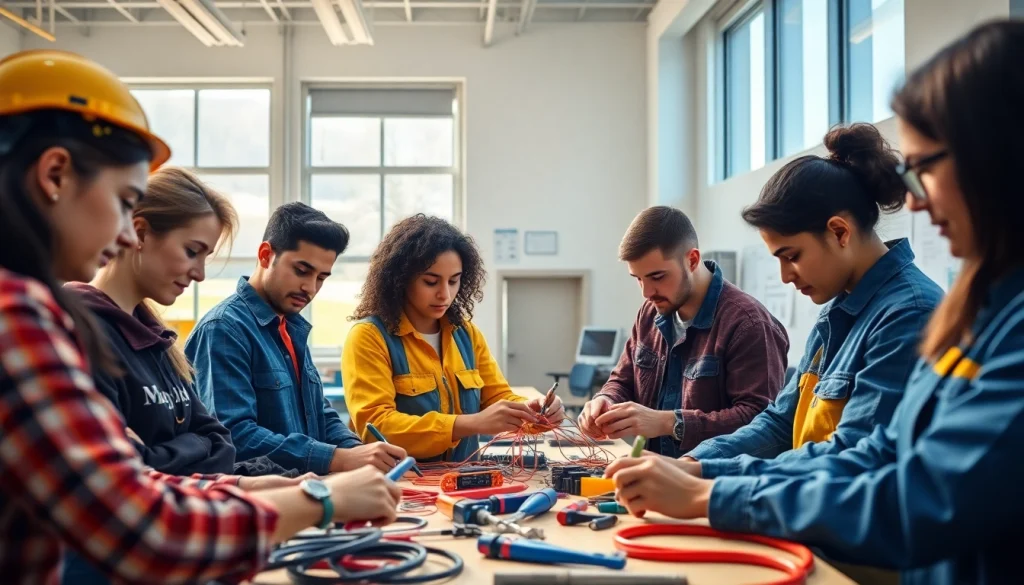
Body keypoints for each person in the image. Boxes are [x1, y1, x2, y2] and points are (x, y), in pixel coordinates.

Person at [605, 20, 1024, 585]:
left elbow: (917, 495)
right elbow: (857, 445)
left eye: (924, 172)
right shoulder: (946, 310)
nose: (918, 204)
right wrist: (700, 469)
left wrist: (715, 494)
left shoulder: (918, 315)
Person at [0, 50, 400, 585]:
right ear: (54, 175)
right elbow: (143, 528)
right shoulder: (17, 318)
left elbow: (165, 474)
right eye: (122, 202)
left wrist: (255, 489)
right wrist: (317, 497)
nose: (125, 234)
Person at [61, 169, 309, 584]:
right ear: (140, 232)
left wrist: (168, 454)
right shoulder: (76, 333)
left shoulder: (159, 342)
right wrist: (188, 448)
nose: (199, 274)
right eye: (192, 251)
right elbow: (131, 480)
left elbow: (221, 444)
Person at [675, 124, 943, 479]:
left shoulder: (910, 314)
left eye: (792, 256)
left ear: (839, 232)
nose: (785, 276)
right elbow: (779, 424)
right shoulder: (835, 312)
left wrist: (705, 476)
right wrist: (691, 463)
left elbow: (852, 457)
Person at [186, 202, 406, 475]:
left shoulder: (290, 326)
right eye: (302, 271)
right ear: (266, 255)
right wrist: (336, 459)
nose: (310, 288)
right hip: (262, 505)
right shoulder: (223, 329)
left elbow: (320, 414)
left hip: (307, 493)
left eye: (322, 277)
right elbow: (235, 435)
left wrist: (359, 452)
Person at [343, 215, 564, 461]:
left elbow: (498, 397)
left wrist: (534, 409)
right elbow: (376, 427)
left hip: (462, 480)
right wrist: (468, 424)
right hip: (400, 484)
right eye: (430, 281)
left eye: (454, 281)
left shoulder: (466, 334)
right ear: (400, 280)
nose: (444, 294)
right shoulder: (369, 337)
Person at [578, 206, 789, 457]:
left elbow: (761, 424)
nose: (646, 292)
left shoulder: (749, 324)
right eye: (638, 279)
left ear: (692, 260)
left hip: (715, 487)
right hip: (655, 476)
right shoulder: (649, 312)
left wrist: (670, 423)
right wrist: (606, 400)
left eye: (657, 276)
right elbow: (623, 380)